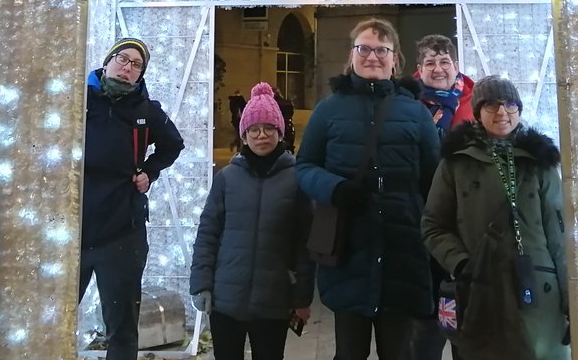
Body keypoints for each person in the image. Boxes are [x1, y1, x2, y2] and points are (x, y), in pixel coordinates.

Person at [296, 18, 441, 360]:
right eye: (364, 48)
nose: (372, 56)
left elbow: (434, 181)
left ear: (395, 59)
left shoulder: (416, 114)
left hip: (401, 250)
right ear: (352, 56)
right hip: (349, 249)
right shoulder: (329, 110)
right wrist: (334, 188)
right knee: (349, 351)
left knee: (398, 351)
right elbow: (304, 167)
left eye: (381, 50)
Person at [421, 76, 569, 360]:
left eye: (510, 104)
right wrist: (462, 264)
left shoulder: (539, 161)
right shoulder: (456, 162)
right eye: (491, 105)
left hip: (539, 292)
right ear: (477, 112)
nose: (502, 112)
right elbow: (433, 225)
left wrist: (569, 300)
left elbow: (559, 235)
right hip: (482, 292)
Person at [190, 82, 314, 360]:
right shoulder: (226, 178)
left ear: (280, 132)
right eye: (254, 129)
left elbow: (305, 245)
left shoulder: (297, 180)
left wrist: (302, 297)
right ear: (244, 135)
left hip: (274, 302)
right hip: (226, 301)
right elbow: (208, 232)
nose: (261, 135)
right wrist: (201, 283)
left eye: (269, 128)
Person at [80, 37, 185, 360]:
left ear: (141, 74)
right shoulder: (79, 100)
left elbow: (173, 145)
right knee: (52, 314)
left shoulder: (146, 109)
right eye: (122, 60)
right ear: (108, 61)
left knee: (122, 327)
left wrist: (149, 172)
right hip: (74, 230)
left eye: (136, 65)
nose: (127, 68)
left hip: (122, 232)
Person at [408, 34, 475, 360]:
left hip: (468, 226)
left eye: (444, 61)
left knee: (469, 325)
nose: (438, 69)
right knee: (426, 328)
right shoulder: (408, 106)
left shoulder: (477, 104)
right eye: (430, 63)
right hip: (423, 224)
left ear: (456, 65)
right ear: (419, 70)